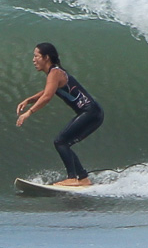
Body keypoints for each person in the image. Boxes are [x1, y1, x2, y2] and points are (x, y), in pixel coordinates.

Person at [15, 42, 104, 187]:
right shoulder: (54, 73)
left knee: (60, 141)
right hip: (93, 113)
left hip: (91, 112)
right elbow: (47, 91)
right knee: (64, 142)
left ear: (46, 57)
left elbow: (47, 97)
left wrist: (28, 113)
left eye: (36, 56)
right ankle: (82, 178)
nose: (33, 60)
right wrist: (29, 100)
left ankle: (72, 178)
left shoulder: (54, 73)